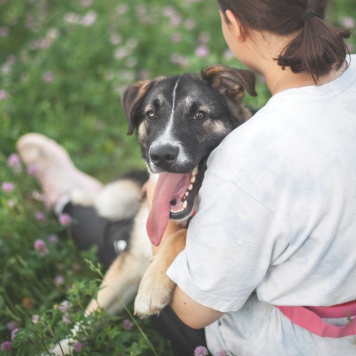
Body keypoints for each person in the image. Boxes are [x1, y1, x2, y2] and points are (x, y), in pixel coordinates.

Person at [17, 0, 356, 354]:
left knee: (122, 240)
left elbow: (194, 311)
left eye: (198, 116)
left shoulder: (246, 161)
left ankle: (68, 198)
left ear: (233, 24)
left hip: (279, 340)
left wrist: (168, 234)